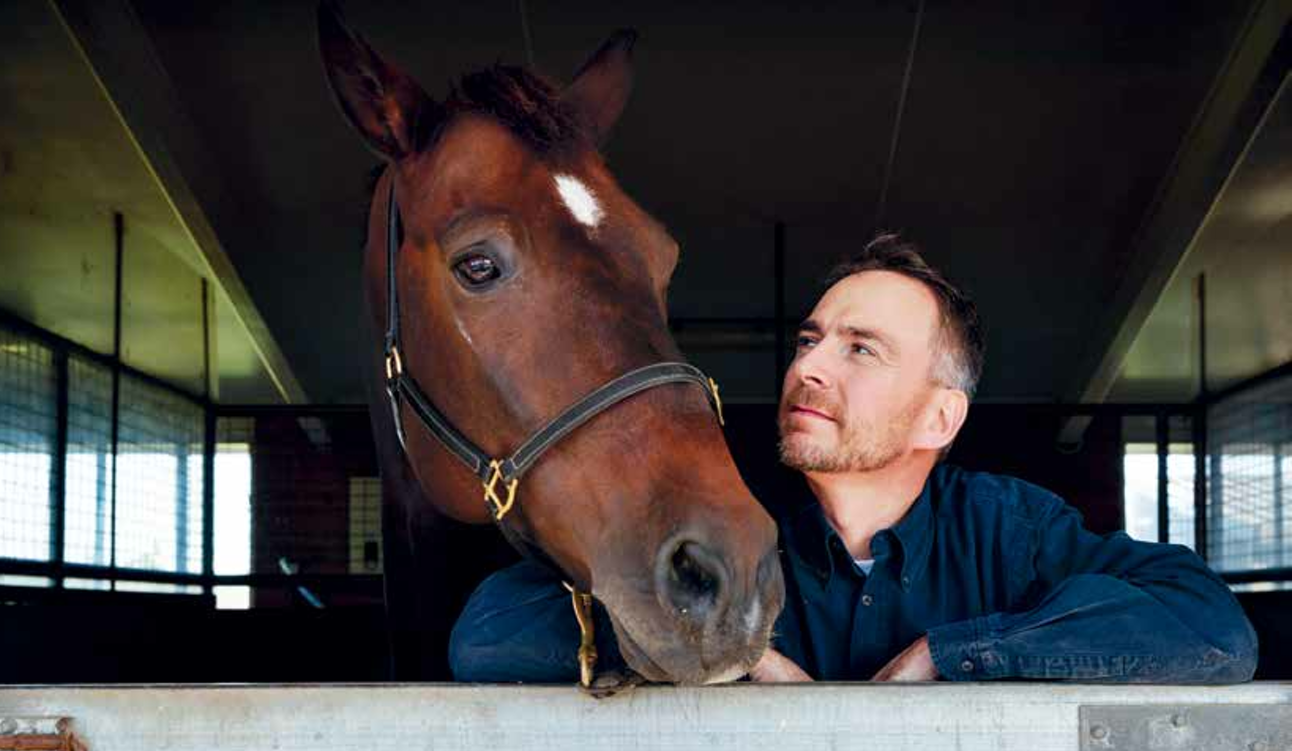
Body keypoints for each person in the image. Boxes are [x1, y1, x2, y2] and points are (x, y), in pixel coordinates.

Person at [448, 234, 1258, 684]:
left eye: (861, 349)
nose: (809, 367)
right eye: (811, 340)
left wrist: (955, 656)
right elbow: (488, 635)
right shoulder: (723, 516)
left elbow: (1211, 627)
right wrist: (733, 651)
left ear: (940, 416)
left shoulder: (1010, 530)